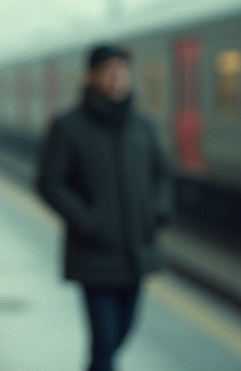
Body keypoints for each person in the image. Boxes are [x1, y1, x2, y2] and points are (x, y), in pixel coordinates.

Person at [36, 45, 173, 371]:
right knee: (105, 341)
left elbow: (162, 175)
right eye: (108, 71)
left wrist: (158, 212)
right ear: (90, 76)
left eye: (122, 72)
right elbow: (50, 182)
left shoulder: (143, 125)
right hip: (94, 252)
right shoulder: (69, 126)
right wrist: (86, 222)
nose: (117, 79)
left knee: (123, 333)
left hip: (136, 250)